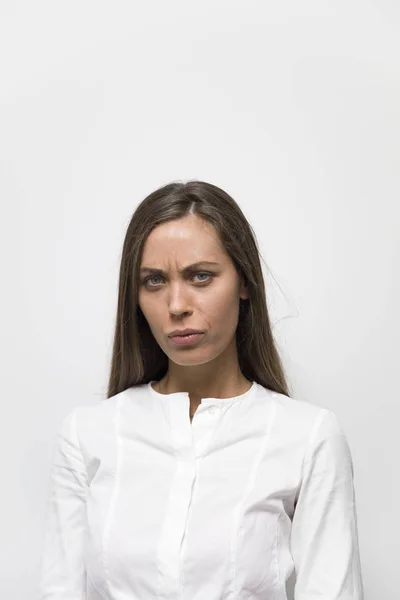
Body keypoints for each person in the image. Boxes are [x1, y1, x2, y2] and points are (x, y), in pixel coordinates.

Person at [38, 180, 364, 599]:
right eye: (154, 281)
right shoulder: (89, 435)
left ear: (244, 282)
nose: (177, 305)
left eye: (201, 276)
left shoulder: (308, 437)